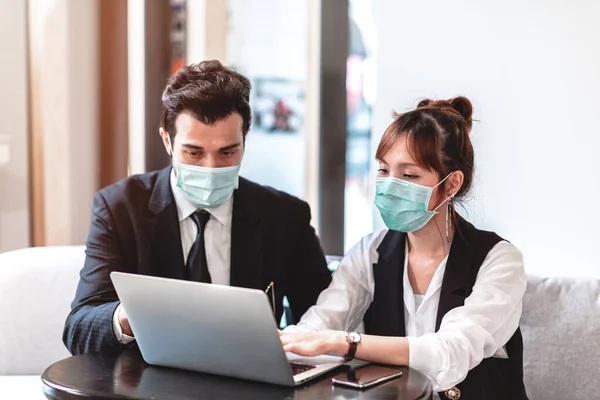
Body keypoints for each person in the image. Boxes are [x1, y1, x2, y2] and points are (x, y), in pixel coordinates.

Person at [64, 60, 332, 355]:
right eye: (194, 153)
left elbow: (325, 318)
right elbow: (79, 329)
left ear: (245, 141)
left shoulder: (285, 217)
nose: (211, 167)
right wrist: (130, 316)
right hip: (149, 384)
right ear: (167, 141)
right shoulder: (120, 207)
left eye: (227, 152)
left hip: (249, 380)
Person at [280, 97, 528, 400]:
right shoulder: (370, 252)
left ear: (451, 185)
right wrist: (284, 343)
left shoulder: (499, 261)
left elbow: (449, 353)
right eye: (384, 171)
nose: (390, 185)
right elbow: (320, 325)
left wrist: (348, 343)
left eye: (409, 175)